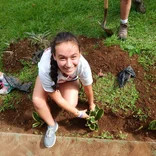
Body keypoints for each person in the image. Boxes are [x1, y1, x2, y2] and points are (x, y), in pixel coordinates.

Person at [32, 32, 96, 148]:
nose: (69, 64)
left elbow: (88, 87)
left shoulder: (83, 65)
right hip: (51, 76)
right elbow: (57, 99)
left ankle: (65, 82)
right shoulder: (45, 68)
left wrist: (91, 104)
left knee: (71, 103)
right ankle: (52, 125)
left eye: (73, 57)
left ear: (80, 53)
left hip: (68, 79)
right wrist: (78, 114)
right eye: (62, 58)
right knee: (37, 100)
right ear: (54, 56)